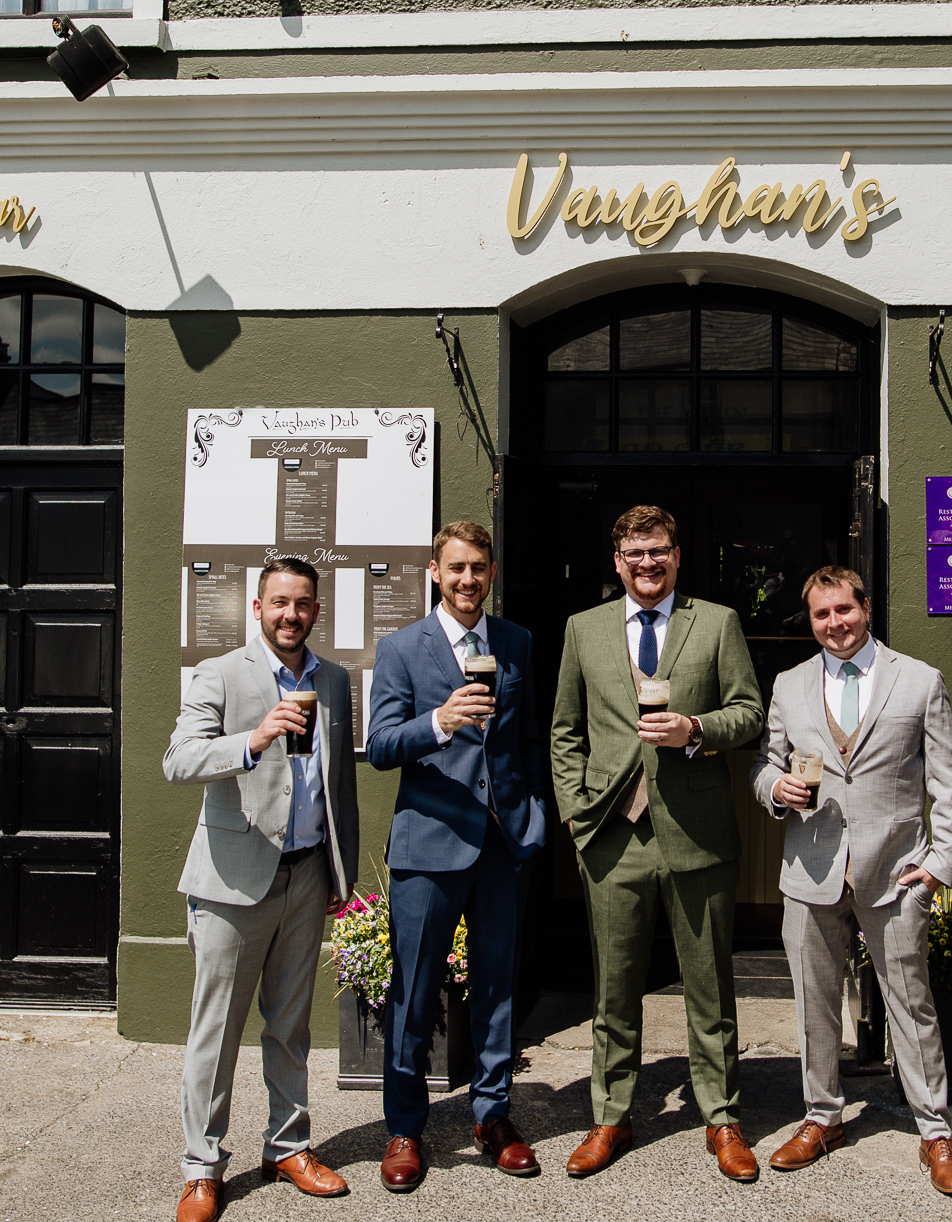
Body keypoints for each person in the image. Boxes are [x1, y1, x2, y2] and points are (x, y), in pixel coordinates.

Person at [550, 504, 766, 1183]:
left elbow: (749, 711)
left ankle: (722, 1118)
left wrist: (695, 730)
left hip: (696, 833)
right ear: (617, 561)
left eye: (660, 551)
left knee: (710, 986)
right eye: (635, 553)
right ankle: (610, 1116)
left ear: (677, 556)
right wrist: (572, 813)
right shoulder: (582, 629)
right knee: (613, 991)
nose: (648, 563)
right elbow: (564, 730)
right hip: (611, 835)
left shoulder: (718, 622)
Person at [749, 566, 952, 1196]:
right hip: (811, 867)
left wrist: (940, 863)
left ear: (865, 608)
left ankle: (935, 1130)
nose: (834, 624)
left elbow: (950, 782)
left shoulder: (919, 679)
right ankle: (822, 1117)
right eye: (821, 616)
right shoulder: (791, 685)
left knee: (912, 1004)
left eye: (843, 610)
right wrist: (777, 791)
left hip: (895, 871)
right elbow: (765, 765)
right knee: (813, 1006)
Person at [164, 557, 360, 1222]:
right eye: (279, 603)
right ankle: (201, 1169)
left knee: (290, 1027)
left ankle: (288, 1146)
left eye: (302, 604)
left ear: (315, 610)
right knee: (214, 1033)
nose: (290, 615)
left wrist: (341, 870)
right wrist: (252, 739)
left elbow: (341, 788)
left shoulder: (332, 679)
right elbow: (179, 760)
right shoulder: (219, 675)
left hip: (306, 875)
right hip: (231, 880)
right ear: (257, 607)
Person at [365, 521, 549, 1190]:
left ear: (491, 573)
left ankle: (493, 1114)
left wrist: (532, 811)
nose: (469, 579)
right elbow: (381, 745)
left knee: (498, 989)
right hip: (429, 842)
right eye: (457, 568)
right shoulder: (401, 649)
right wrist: (439, 722)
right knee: (414, 992)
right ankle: (405, 1127)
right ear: (435, 573)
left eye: (479, 568)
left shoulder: (516, 642)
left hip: (502, 842)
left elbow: (527, 738)